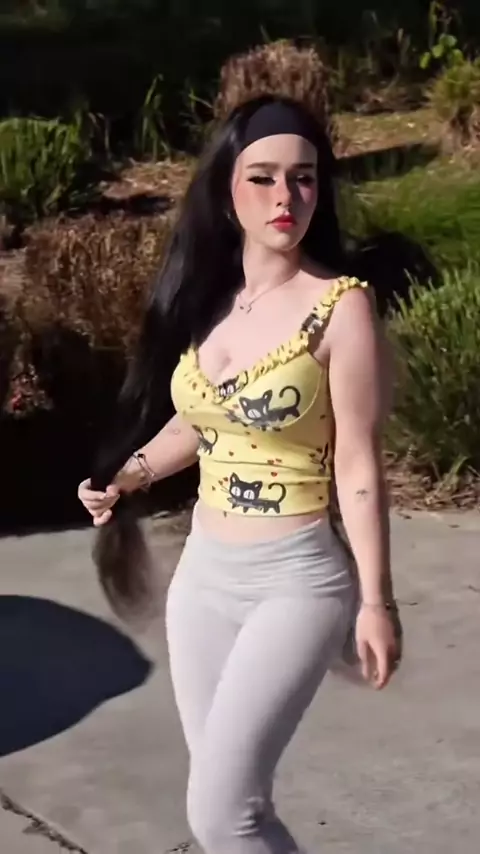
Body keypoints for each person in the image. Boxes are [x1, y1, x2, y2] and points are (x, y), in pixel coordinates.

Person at [78, 94, 402, 854]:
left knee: (223, 816)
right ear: (226, 190)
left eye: (303, 177)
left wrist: (376, 602)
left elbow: (358, 461)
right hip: (204, 580)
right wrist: (128, 475)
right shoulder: (211, 303)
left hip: (295, 581)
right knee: (230, 805)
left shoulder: (339, 307)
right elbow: (200, 423)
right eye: (262, 177)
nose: (285, 196)